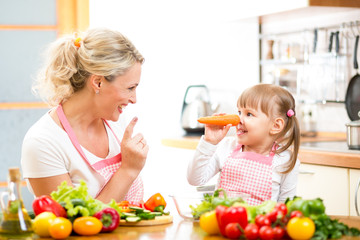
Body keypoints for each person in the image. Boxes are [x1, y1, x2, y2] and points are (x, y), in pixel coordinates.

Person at [21, 28, 148, 205]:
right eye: (130, 88)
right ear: (98, 82)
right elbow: (73, 225)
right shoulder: (43, 143)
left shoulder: (117, 125)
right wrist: (128, 170)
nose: (134, 99)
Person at [187, 84, 300, 205]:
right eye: (239, 112)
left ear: (275, 126)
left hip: (258, 224)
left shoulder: (286, 160)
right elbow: (195, 179)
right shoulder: (226, 146)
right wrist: (209, 142)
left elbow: (286, 206)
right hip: (223, 222)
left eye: (249, 114)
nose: (238, 119)